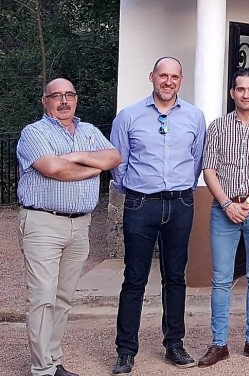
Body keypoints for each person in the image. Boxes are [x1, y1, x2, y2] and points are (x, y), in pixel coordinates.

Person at [16, 78, 120, 376]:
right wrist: (92, 166)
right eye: (56, 96)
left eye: (69, 95)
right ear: (44, 101)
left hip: (80, 225)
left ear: (76, 98)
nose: (64, 101)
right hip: (43, 223)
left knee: (63, 297)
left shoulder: (88, 131)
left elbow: (113, 157)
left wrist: (73, 156)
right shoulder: (33, 133)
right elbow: (53, 169)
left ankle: (53, 358)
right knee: (42, 296)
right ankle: (41, 369)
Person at [110, 57, 207, 374]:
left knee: (176, 277)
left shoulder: (194, 117)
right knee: (134, 278)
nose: (168, 81)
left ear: (181, 80)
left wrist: (181, 189)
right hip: (141, 204)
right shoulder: (129, 116)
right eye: (163, 75)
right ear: (152, 77)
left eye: (174, 76)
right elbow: (118, 161)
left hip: (180, 204)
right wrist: (135, 189)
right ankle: (126, 351)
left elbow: (196, 161)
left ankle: (174, 344)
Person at [196, 68, 249, 366]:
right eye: (240, 89)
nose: (246, 94)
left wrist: (248, 202)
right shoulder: (218, 127)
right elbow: (209, 169)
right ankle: (219, 343)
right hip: (223, 211)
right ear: (232, 92)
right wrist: (226, 204)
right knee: (221, 279)